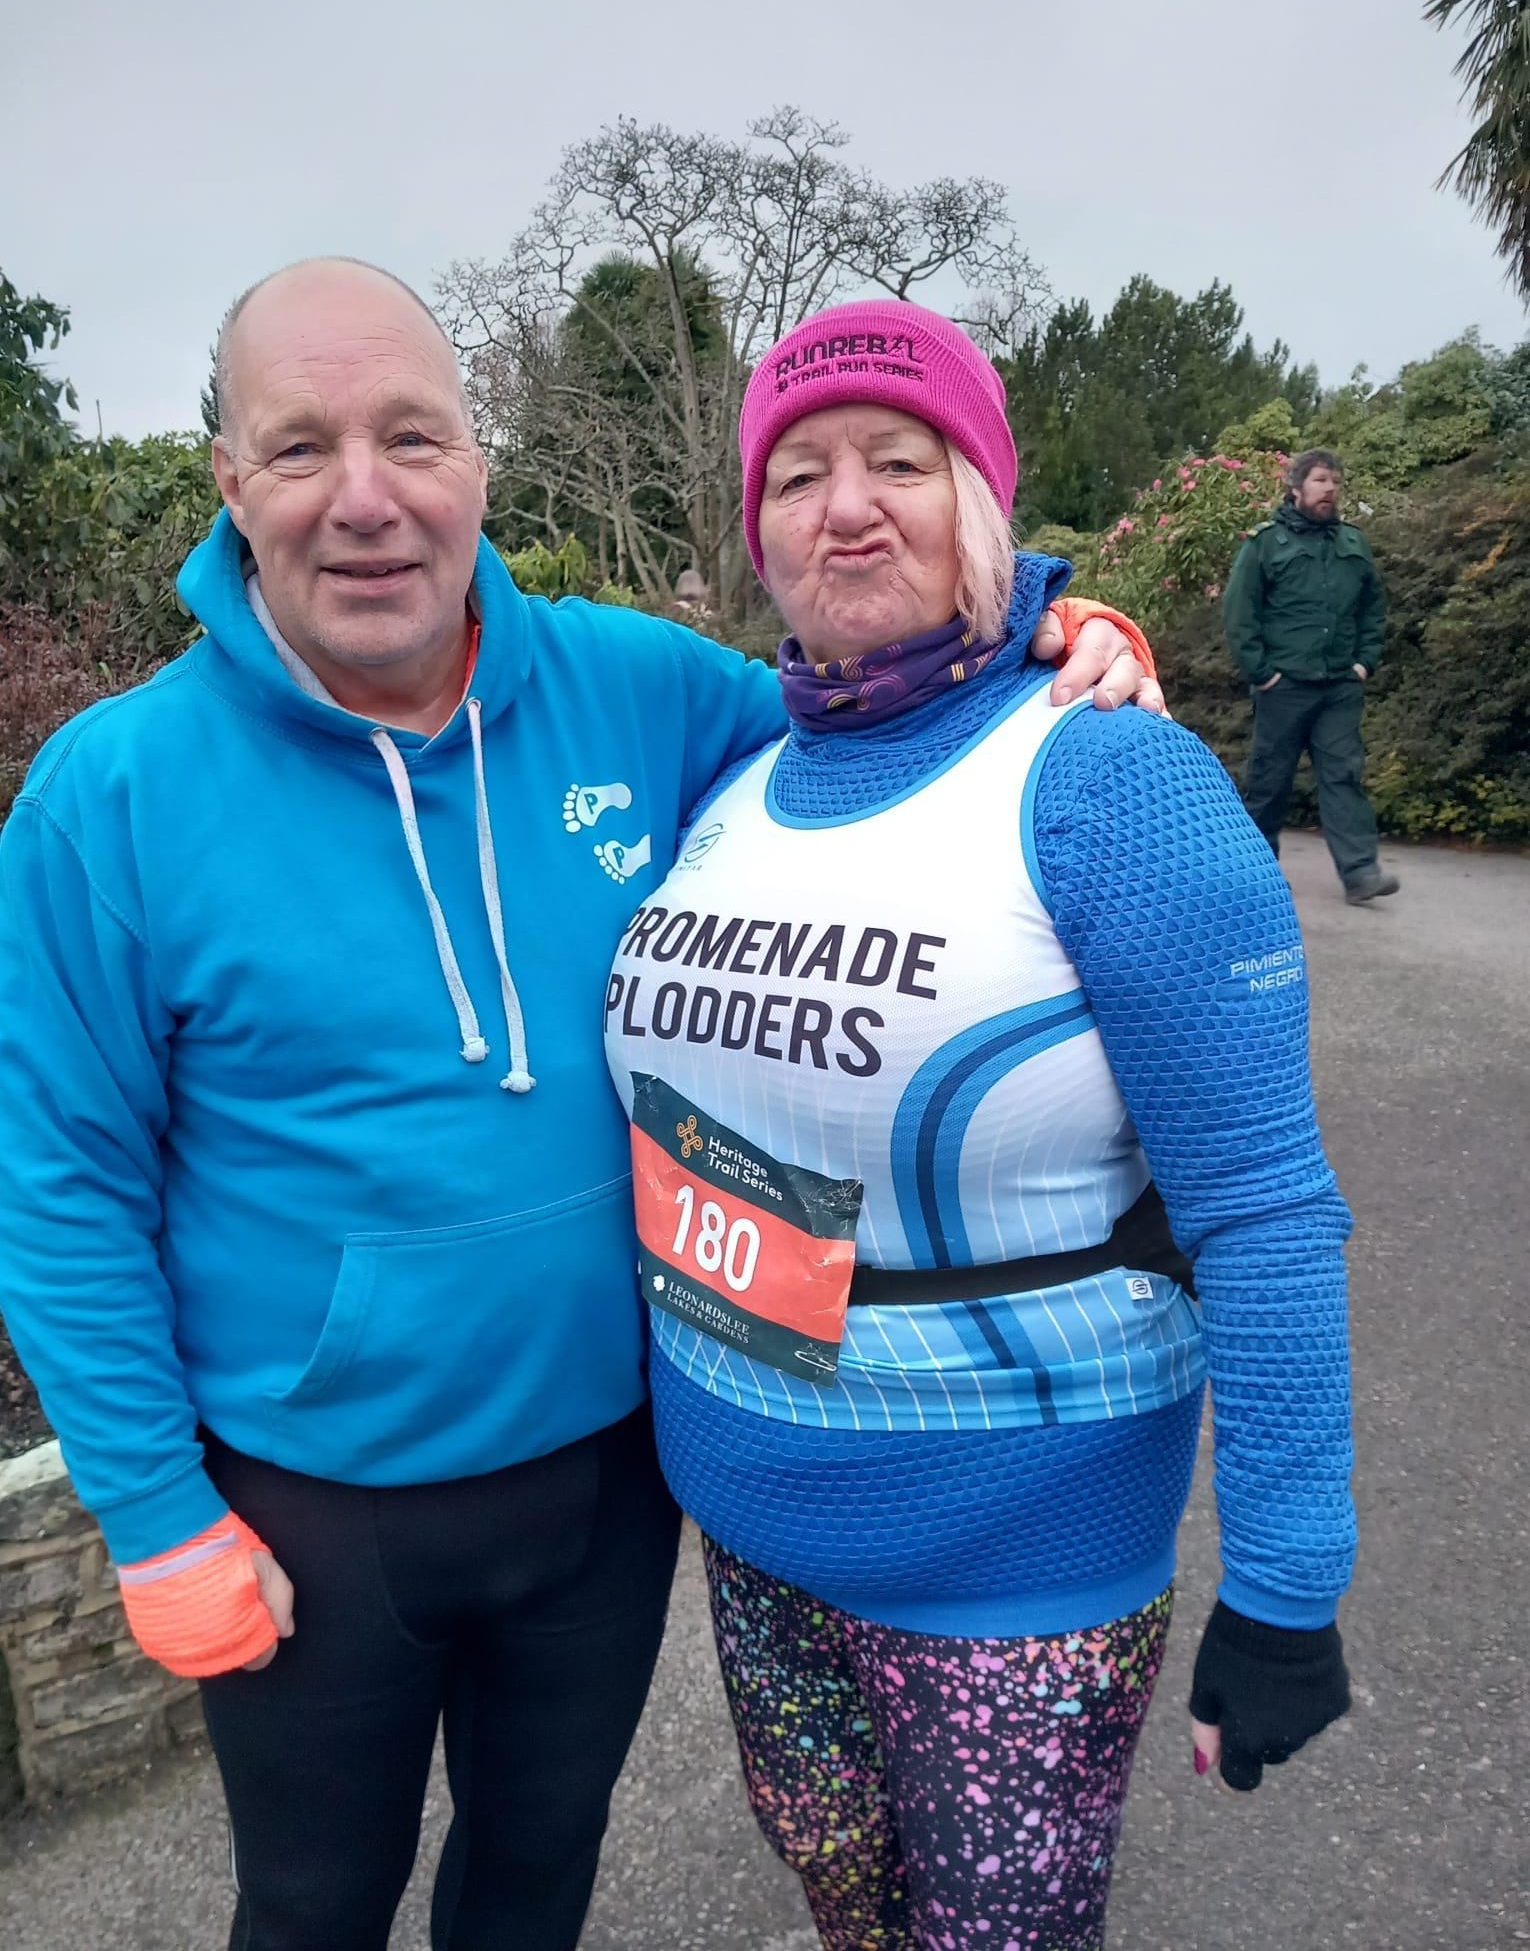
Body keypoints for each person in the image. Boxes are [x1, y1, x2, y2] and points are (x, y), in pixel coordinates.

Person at [0, 258, 1155, 1951]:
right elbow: (58, 1185)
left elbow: (890, 708)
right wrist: (154, 1514)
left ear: (480, 465)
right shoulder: (108, 794)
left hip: (607, 1482)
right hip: (309, 1500)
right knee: (312, 1905)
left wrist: (1050, 631)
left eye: (413, 437)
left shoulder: (640, 688)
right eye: (302, 447)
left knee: (539, 1869)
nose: (368, 497)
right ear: (231, 481)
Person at [604, 300, 1357, 1951]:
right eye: (795, 474)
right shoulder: (738, 773)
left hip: (1015, 1553)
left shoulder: (1110, 777)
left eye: (898, 461)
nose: (844, 508)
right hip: (748, 1524)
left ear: (983, 502)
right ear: (756, 530)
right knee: (839, 1887)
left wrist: (1287, 1582)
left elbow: (1261, 1202)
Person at [1222, 448, 1398, 904]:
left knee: (1344, 776)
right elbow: (1240, 613)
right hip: (1284, 687)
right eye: (1320, 480)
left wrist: (1364, 662)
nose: (1330, 489)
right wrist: (1263, 674)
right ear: (1296, 488)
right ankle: (1254, 876)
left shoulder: (1353, 543)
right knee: (1269, 783)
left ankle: (1360, 874)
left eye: (1335, 481)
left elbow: (1373, 610)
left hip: (1339, 686)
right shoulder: (1265, 544)